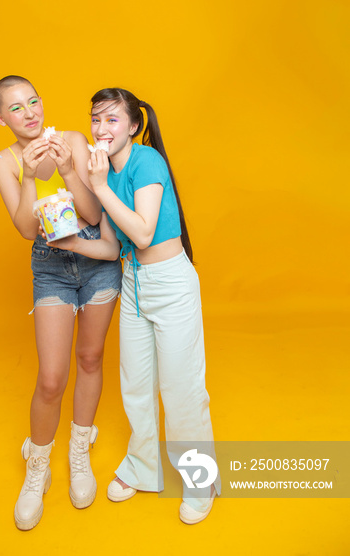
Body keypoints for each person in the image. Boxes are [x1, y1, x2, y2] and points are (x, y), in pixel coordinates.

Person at [51, 87, 221, 524]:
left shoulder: (146, 161)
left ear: (132, 126)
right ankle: (143, 469)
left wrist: (100, 185)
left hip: (170, 284)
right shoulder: (102, 171)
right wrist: (67, 240)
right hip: (133, 283)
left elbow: (143, 234)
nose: (101, 129)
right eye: (96, 120)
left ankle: (200, 480)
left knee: (182, 391)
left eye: (112, 120)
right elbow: (112, 247)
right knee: (136, 386)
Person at [0, 75, 122, 530]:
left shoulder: (71, 139)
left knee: (89, 357)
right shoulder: (4, 161)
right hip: (50, 262)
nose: (29, 112)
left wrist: (68, 169)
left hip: (96, 258)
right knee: (50, 378)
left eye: (33, 101)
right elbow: (27, 229)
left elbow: (91, 214)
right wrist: (30, 174)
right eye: (16, 108)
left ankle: (79, 450)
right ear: (0, 118)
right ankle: (37, 467)